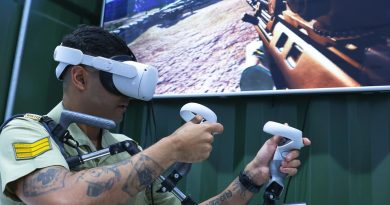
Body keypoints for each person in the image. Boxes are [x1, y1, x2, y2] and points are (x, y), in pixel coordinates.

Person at [0, 25, 311, 205]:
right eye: (118, 83)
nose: (129, 99)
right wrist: (173, 147)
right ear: (80, 79)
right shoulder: (26, 133)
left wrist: (251, 177)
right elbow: (62, 199)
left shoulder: (126, 147)